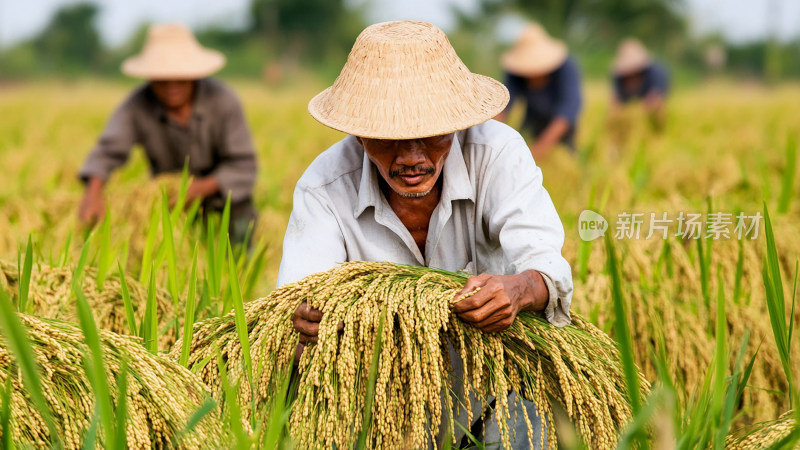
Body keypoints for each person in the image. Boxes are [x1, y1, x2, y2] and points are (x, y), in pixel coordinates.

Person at [279, 21, 573, 448]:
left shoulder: (497, 155)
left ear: (456, 122)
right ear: (359, 133)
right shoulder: (324, 187)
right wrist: (308, 321)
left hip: (497, 380)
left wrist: (519, 288)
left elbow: (546, 264)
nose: (412, 158)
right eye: (390, 140)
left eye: (432, 135)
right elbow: (298, 301)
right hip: (381, 398)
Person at [78, 24, 258, 243]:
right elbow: (107, 150)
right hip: (169, 205)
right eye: (162, 79)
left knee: (238, 248)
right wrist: (92, 195)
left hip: (226, 204)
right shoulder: (136, 106)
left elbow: (243, 166)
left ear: (193, 75)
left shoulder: (223, 101)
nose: (172, 85)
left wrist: (198, 190)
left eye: (180, 78)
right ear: (150, 77)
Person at [494, 24, 582, 159]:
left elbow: (568, 110)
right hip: (532, 121)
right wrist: (493, 142)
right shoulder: (515, 72)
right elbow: (503, 107)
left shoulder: (566, 68)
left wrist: (537, 151)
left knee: (565, 158)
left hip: (561, 128)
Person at [611, 38, 670, 131]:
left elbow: (657, 96)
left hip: (650, 97)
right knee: (615, 114)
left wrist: (647, 106)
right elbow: (615, 100)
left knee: (658, 109)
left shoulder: (656, 72)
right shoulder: (618, 77)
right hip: (631, 99)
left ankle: (658, 131)